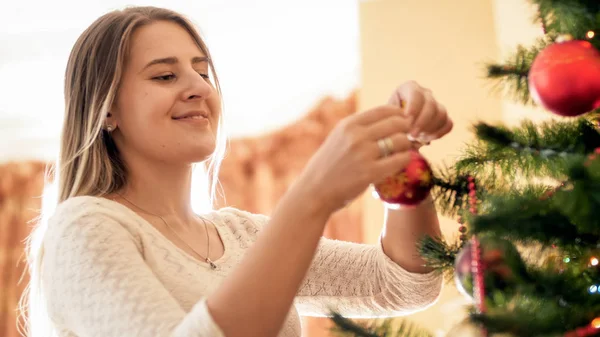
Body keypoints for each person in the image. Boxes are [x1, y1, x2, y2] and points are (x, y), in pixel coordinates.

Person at [21, 6, 453, 337]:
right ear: (107, 107)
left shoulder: (241, 236)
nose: (199, 88)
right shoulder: (85, 228)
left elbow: (404, 283)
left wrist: (403, 160)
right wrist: (312, 196)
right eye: (166, 75)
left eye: (203, 71)